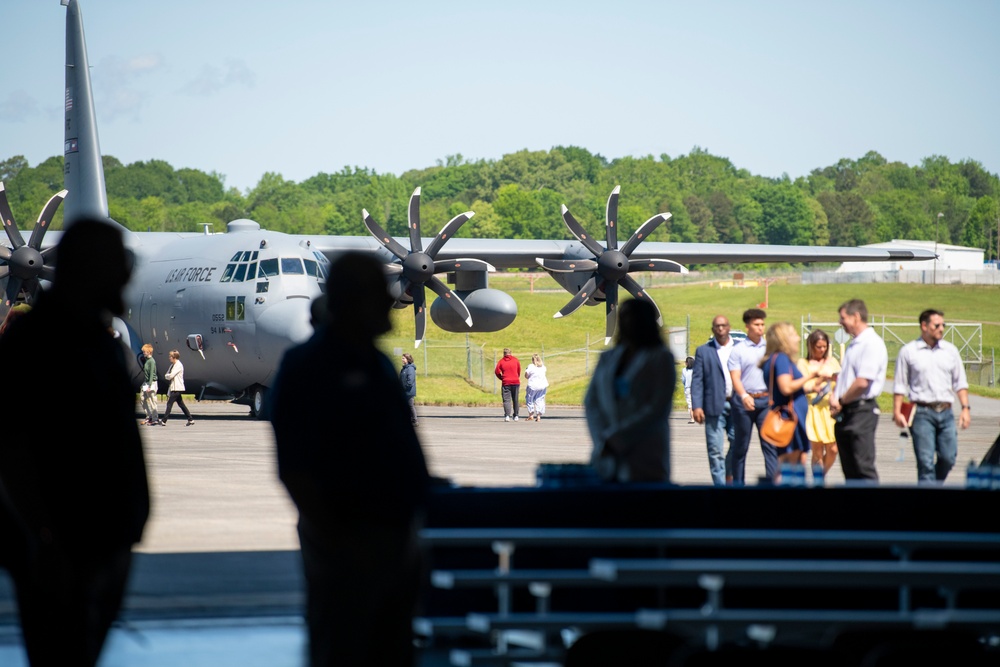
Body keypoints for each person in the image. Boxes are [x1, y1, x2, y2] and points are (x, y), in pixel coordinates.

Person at [268, 251, 430, 667]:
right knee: (344, 644)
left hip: (394, 539)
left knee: (391, 646)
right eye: (379, 293)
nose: (391, 303)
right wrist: (336, 537)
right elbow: (296, 468)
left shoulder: (376, 363)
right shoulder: (307, 366)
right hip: (346, 542)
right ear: (353, 299)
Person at [0, 218, 149, 667]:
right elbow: (13, 450)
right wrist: (43, 536)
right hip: (59, 543)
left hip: (104, 539)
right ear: (88, 270)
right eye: (116, 266)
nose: (125, 277)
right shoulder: (32, 345)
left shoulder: (101, 344)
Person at [584, 299, 675, 483]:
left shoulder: (661, 358)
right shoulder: (607, 358)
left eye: (633, 317)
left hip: (646, 449)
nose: (627, 322)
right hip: (606, 450)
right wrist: (603, 438)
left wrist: (617, 438)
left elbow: (657, 407)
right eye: (623, 317)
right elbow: (591, 402)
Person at [892, 309, 971, 483]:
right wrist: (897, 412)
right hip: (921, 413)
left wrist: (965, 408)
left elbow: (960, 383)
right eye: (937, 325)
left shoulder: (950, 351)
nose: (941, 328)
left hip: (946, 412)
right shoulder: (909, 352)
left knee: (948, 458)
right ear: (924, 326)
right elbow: (900, 384)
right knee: (925, 463)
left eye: (943, 325)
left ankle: (933, 486)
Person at [760, 322, 828, 480]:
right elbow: (786, 387)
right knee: (790, 464)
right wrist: (811, 375)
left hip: (790, 416)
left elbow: (786, 388)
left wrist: (811, 387)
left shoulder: (772, 359)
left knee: (788, 463)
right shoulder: (782, 359)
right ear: (784, 339)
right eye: (794, 335)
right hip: (791, 418)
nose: (798, 338)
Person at [830, 299, 887, 482]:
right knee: (850, 470)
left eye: (843, 318)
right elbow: (846, 377)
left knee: (862, 466)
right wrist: (835, 395)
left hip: (861, 411)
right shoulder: (855, 344)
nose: (841, 322)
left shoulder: (871, 343)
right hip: (848, 411)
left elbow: (862, 382)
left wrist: (841, 400)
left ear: (856, 317)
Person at [727, 308, 777, 485]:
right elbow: (735, 377)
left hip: (766, 401)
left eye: (762, 324)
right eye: (756, 324)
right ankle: (738, 485)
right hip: (743, 403)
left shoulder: (770, 348)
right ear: (747, 326)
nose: (760, 328)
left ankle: (772, 484)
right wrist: (743, 395)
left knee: (770, 446)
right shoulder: (738, 350)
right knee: (740, 447)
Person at [691, 315, 739, 486]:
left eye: (723, 325)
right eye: (717, 326)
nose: (720, 329)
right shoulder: (704, 351)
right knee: (715, 450)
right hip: (713, 406)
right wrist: (696, 406)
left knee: (738, 445)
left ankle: (728, 473)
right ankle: (720, 488)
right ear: (713, 329)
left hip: (737, 405)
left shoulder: (739, 348)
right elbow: (697, 380)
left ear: (729, 327)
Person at [797, 329, 841, 475]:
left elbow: (841, 382)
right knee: (817, 451)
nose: (822, 350)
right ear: (811, 346)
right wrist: (821, 378)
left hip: (830, 410)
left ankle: (820, 475)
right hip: (813, 409)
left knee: (833, 449)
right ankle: (818, 481)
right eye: (819, 347)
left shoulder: (833, 362)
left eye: (825, 346)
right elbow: (802, 386)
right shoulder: (803, 364)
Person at [162, 349, 194, 426]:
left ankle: (164, 420)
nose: (169, 357)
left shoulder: (178, 365)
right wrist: (167, 376)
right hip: (174, 387)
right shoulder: (172, 365)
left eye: (170, 356)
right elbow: (167, 375)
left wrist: (167, 376)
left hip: (177, 388)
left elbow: (170, 375)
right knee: (181, 404)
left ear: (174, 357)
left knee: (169, 403)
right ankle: (190, 419)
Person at [495, 347, 522, 422]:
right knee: (515, 399)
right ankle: (516, 415)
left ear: (504, 354)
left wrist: (501, 378)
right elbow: (519, 370)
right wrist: (516, 376)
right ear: (511, 353)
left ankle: (507, 415)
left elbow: (497, 371)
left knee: (506, 400)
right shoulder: (515, 360)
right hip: (515, 381)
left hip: (506, 382)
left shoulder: (501, 361)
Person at [524, 353, 549, 422]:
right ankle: (538, 416)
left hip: (533, 385)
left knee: (529, 399)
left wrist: (528, 377)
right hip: (542, 385)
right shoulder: (543, 367)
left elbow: (526, 375)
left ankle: (531, 414)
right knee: (540, 399)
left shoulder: (531, 366)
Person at [140, 342, 159, 425]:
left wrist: (149, 386)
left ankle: (155, 418)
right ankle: (149, 415)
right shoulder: (147, 360)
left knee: (152, 400)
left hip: (151, 382)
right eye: (143, 351)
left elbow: (152, 374)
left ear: (149, 352)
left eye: (145, 351)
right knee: (142, 398)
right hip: (146, 382)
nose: (143, 353)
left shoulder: (152, 361)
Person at [400, 352, 418, 426]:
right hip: (404, 391)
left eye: (403, 358)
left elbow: (410, 381)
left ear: (407, 359)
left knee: (410, 406)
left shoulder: (410, 369)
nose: (402, 359)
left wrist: (404, 388)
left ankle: (415, 421)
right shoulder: (404, 369)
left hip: (408, 391)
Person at [682, 356, 695, 423]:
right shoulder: (696, 369)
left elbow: (683, 380)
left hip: (688, 388)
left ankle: (692, 418)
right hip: (696, 388)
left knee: (690, 404)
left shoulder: (684, 370)